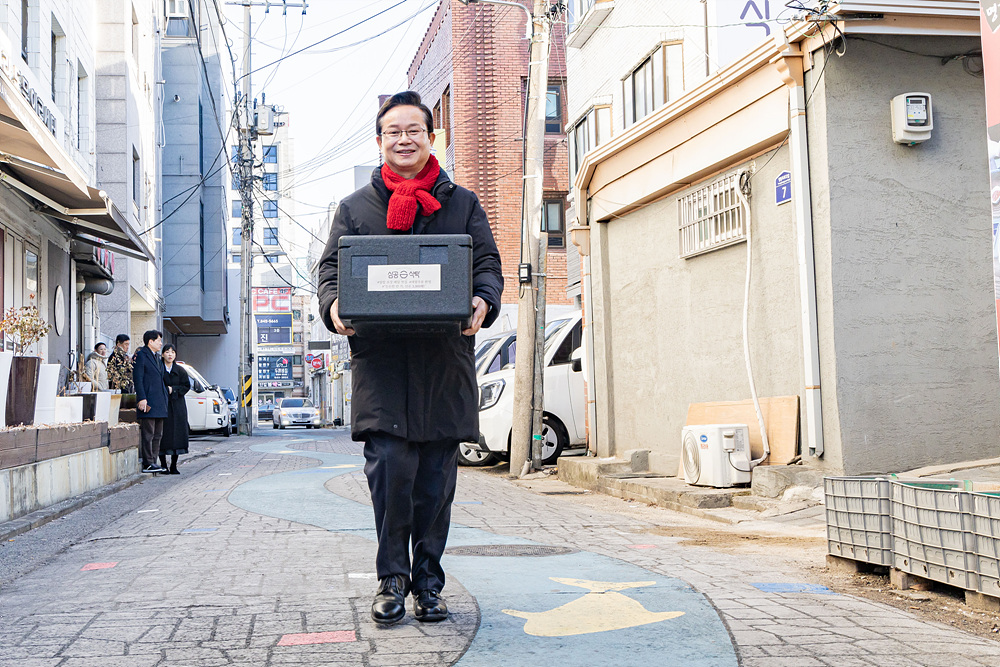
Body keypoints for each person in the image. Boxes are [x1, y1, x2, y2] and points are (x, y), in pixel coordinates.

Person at [317, 91, 503, 626]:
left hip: (443, 365)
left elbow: (487, 265)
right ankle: (392, 579)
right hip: (383, 366)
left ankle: (428, 583)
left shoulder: (462, 204)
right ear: (380, 141)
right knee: (392, 477)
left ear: (430, 137)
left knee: (435, 485)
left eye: (414, 130)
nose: (404, 139)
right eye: (393, 131)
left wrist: (482, 299)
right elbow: (330, 273)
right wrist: (333, 305)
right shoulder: (355, 209)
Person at [133, 330, 168, 474]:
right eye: (158, 340)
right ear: (150, 341)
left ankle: (154, 461)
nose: (161, 343)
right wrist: (142, 398)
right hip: (148, 400)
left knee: (158, 434)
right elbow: (138, 378)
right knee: (148, 433)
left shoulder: (157, 358)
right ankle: (148, 462)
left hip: (160, 400)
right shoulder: (142, 356)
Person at [158, 344, 189, 475]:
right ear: (163, 354)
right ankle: (163, 465)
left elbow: (186, 386)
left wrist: (174, 389)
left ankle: (174, 465)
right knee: (163, 434)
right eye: (167, 352)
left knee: (177, 434)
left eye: (172, 352)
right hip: (162, 404)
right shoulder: (159, 368)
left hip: (177, 406)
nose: (170, 354)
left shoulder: (180, 370)